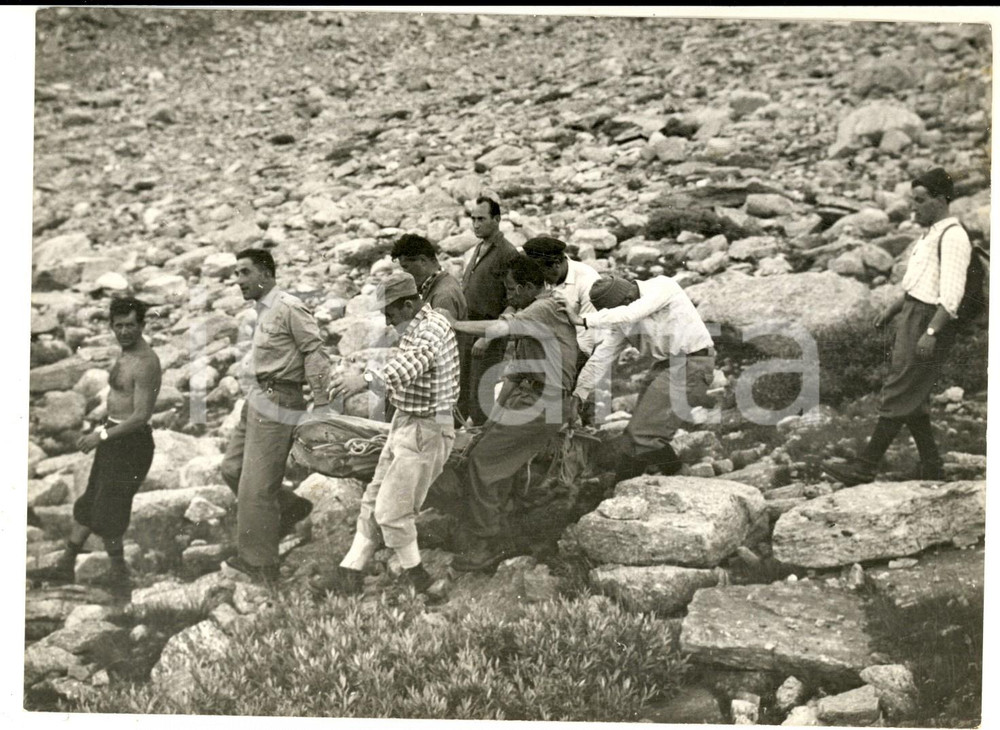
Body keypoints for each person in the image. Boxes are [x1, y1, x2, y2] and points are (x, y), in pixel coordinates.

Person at [311, 272, 460, 596]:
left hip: (427, 430)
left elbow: (408, 366)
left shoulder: (431, 330)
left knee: (391, 511)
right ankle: (349, 573)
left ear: (408, 305)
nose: (387, 321)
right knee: (373, 500)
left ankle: (422, 581)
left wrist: (363, 379)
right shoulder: (419, 324)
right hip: (408, 423)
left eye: (390, 314)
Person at [823, 168, 972, 486]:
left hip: (930, 322)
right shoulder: (930, 232)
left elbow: (951, 296)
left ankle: (865, 466)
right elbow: (916, 285)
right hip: (913, 315)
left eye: (920, 201)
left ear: (941, 200)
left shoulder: (954, 236)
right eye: (912, 200)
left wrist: (930, 333)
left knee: (900, 388)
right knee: (912, 395)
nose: (913, 207)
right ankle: (932, 466)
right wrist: (891, 311)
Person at [448, 255, 579, 572]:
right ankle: (505, 529)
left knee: (482, 463)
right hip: (532, 396)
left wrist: (452, 324)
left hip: (541, 400)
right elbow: (517, 373)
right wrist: (494, 420)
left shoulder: (542, 309)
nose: (508, 298)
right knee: (487, 453)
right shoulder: (544, 309)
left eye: (511, 291)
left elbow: (498, 328)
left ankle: (488, 543)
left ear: (529, 287)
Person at [221, 248, 331, 583]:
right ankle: (291, 509)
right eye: (236, 274)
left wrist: (323, 405)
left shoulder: (288, 307)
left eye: (245, 273)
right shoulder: (263, 309)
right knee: (232, 468)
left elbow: (315, 351)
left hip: (280, 400)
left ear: (266, 274)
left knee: (256, 487)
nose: (238, 280)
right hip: (258, 397)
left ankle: (263, 564)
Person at [37, 297, 161, 592]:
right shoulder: (126, 353)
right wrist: (103, 429)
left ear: (142, 325)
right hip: (114, 436)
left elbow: (141, 415)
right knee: (92, 499)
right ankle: (66, 565)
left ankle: (119, 575)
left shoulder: (146, 362)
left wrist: (100, 436)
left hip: (132, 443)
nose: (125, 331)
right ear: (111, 327)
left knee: (111, 508)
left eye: (131, 325)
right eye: (118, 326)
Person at [571, 274, 717, 482]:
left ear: (629, 294)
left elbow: (631, 314)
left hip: (691, 363)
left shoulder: (661, 286)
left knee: (644, 435)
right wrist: (578, 396)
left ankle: (670, 478)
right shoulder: (621, 316)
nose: (622, 309)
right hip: (665, 366)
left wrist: (582, 320)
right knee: (635, 437)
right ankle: (636, 484)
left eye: (624, 304)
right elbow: (601, 358)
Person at [458, 193, 519, 425]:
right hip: (467, 331)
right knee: (461, 393)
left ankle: (487, 448)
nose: (476, 224)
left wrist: (487, 337)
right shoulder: (478, 248)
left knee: (479, 398)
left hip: (488, 335)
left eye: (481, 219)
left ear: (497, 219)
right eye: (473, 219)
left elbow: (514, 300)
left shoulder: (507, 252)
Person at [391, 233, 467, 321]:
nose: (405, 273)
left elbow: (440, 333)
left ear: (422, 261)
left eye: (406, 267)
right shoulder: (437, 284)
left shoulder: (443, 295)